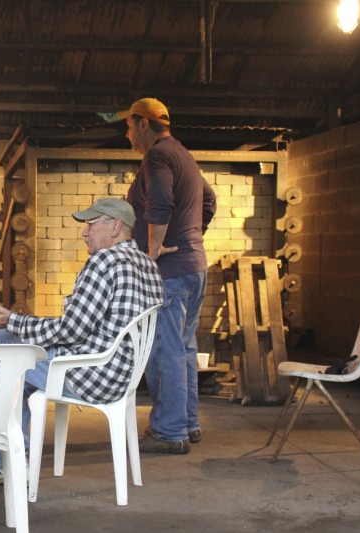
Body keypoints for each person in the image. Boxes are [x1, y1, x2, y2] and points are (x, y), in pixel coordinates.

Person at [0, 198, 163, 485]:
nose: (85, 232)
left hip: (90, 375)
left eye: (91, 225)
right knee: (10, 344)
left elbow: (72, 330)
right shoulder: (148, 265)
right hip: (124, 377)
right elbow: (83, 326)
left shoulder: (105, 262)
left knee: (3, 356)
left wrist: (15, 321)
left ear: (116, 226)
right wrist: (19, 324)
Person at [117, 97, 216, 455]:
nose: (126, 134)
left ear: (143, 124)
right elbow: (209, 200)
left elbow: (160, 202)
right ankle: (188, 423)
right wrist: (190, 236)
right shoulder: (184, 155)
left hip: (169, 273)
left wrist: (153, 250)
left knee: (164, 351)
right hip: (193, 268)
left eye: (128, 126)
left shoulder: (157, 157)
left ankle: (169, 431)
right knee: (184, 348)